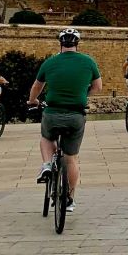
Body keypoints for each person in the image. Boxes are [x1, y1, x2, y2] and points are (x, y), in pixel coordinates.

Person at [28, 28, 102, 214]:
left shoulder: (50, 62)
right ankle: (69, 199)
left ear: (60, 43)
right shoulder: (88, 61)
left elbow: (37, 86)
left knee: (46, 136)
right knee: (71, 158)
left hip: (53, 112)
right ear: (77, 43)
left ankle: (46, 165)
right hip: (76, 115)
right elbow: (98, 87)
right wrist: (83, 95)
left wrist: (32, 101)